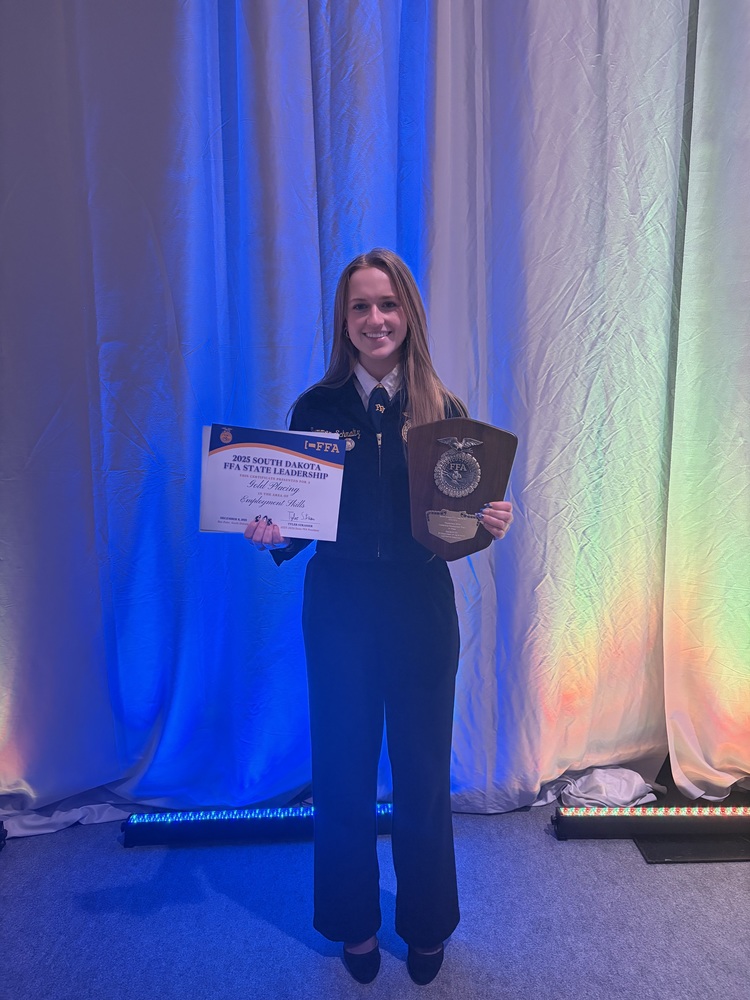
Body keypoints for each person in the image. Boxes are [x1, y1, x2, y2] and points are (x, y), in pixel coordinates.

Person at [245, 248, 513, 985]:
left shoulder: (445, 410)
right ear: (344, 319)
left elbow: (454, 528)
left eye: (387, 305)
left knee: (422, 777)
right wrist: (275, 530)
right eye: (360, 307)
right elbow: (303, 518)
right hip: (339, 614)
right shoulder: (316, 408)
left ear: (409, 315)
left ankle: (427, 924)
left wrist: (489, 521)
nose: (375, 320)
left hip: (421, 612)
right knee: (341, 774)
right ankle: (352, 924)